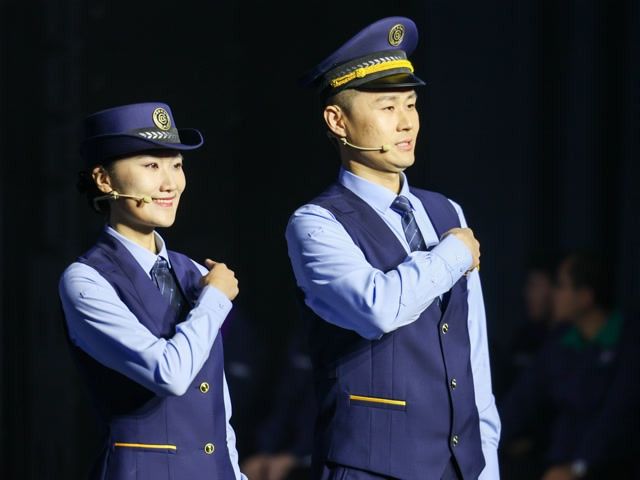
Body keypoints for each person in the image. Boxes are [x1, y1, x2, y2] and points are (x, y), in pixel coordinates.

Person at [285, 16, 500, 480]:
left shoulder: (446, 211)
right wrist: (452, 255)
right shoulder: (316, 222)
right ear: (337, 120)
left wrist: (486, 464)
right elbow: (377, 308)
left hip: (458, 466)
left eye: (411, 104)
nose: (406, 123)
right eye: (387, 107)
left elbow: (473, 351)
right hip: (372, 467)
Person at [58, 102, 246, 479]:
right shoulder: (86, 280)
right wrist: (214, 299)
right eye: (150, 166)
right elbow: (169, 374)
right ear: (104, 180)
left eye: (176, 165)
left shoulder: (194, 271)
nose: (170, 183)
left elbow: (215, 402)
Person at [498, 251, 640, 479]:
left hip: (607, 468)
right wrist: (485, 440)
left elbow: (617, 417)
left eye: (560, 286)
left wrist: (579, 467)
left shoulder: (629, 342)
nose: (554, 294)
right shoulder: (560, 341)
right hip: (556, 465)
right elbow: (521, 400)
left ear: (585, 297)